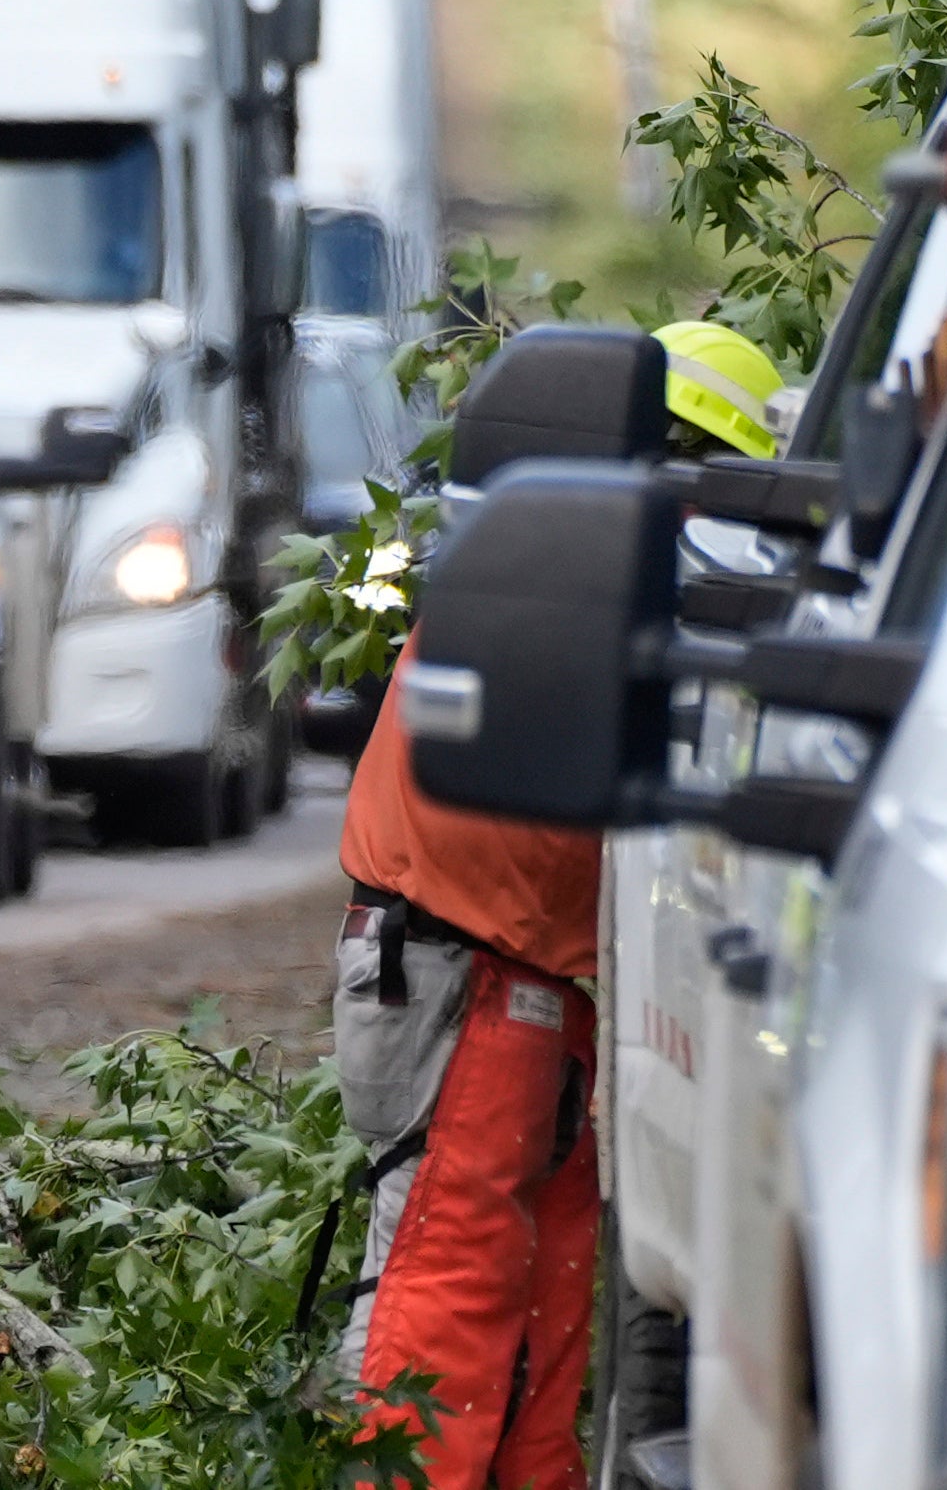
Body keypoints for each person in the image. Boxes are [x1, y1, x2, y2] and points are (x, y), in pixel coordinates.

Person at [330, 317, 782, 1487]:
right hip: (460, 968)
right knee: (451, 1290)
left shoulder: (644, 574)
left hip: (523, 979)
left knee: (538, 1315)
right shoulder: (577, 565)